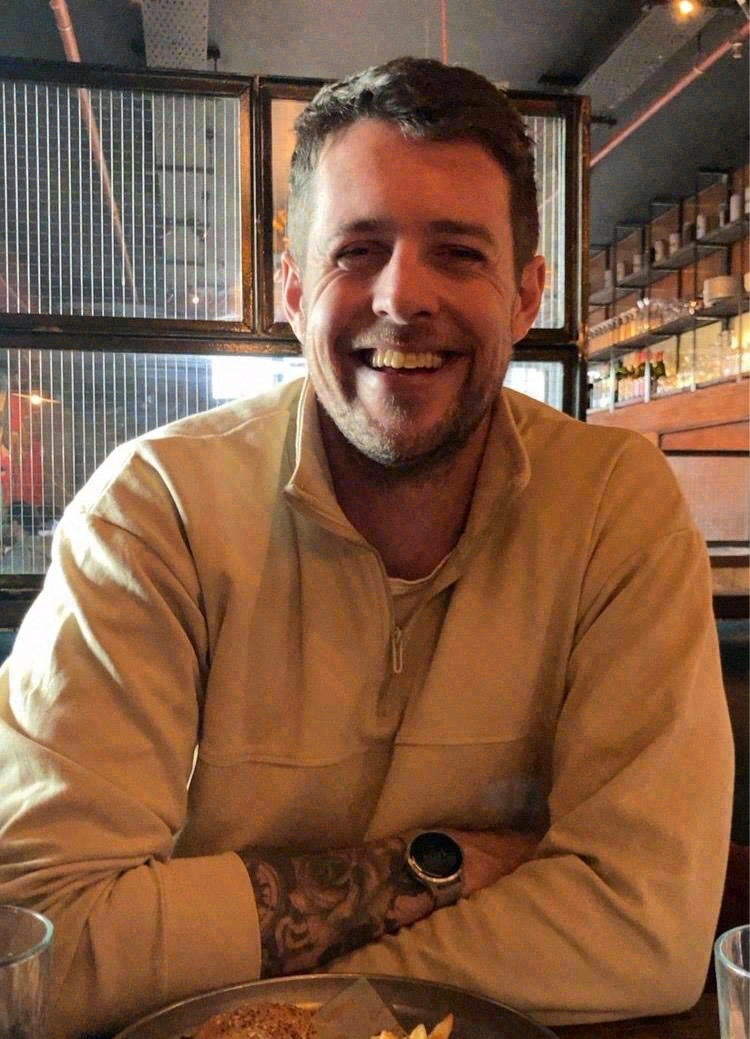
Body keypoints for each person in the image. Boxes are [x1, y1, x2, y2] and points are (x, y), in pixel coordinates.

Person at [0, 57, 733, 1039]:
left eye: (458, 253)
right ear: (294, 288)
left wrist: (293, 1002)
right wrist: (430, 872)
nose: (402, 297)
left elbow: (644, 926)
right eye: (358, 250)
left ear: (526, 297)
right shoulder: (153, 510)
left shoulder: (615, 509)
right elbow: (39, 946)